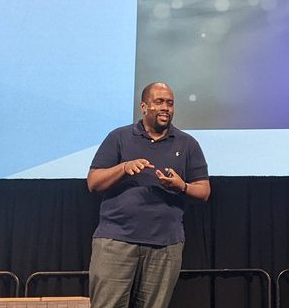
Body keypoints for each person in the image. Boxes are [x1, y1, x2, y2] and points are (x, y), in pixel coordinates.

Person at [86, 82, 211, 308]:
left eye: (170, 103)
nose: (166, 108)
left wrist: (182, 186)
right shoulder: (119, 137)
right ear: (144, 107)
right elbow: (94, 182)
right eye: (159, 102)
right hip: (116, 241)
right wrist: (123, 168)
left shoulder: (187, 144)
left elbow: (203, 190)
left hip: (165, 244)